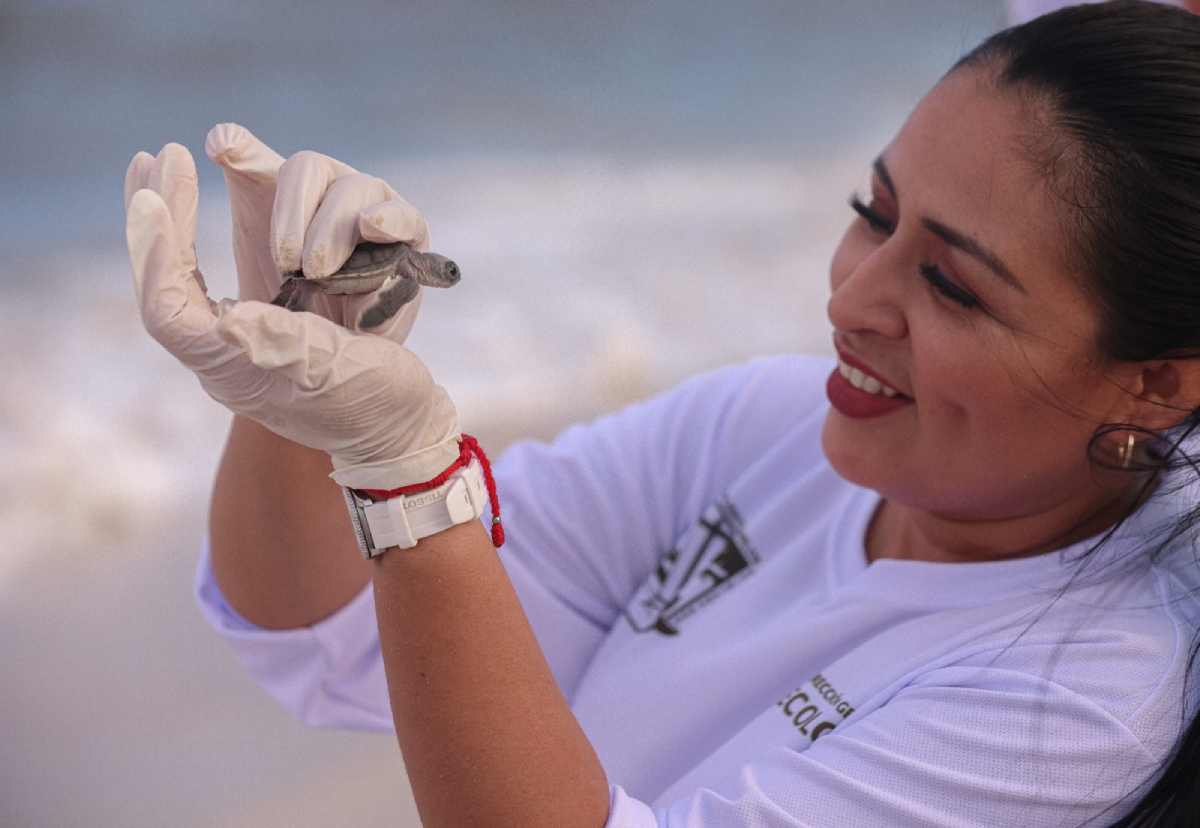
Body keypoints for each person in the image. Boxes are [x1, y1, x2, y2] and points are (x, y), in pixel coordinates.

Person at [123, 2, 1200, 825]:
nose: (852, 302)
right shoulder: (770, 424)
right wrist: (302, 366)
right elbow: (325, 629)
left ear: (1159, 381)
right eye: (874, 216)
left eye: (955, 288)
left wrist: (405, 470)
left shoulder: (1084, 691)